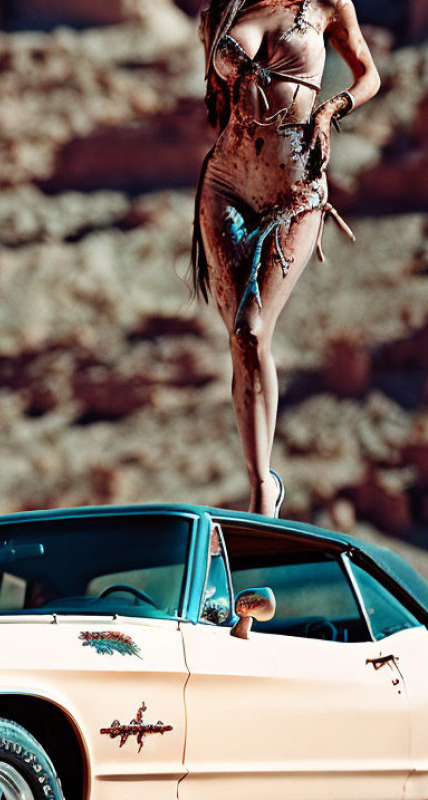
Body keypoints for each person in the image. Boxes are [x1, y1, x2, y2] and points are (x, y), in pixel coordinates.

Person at [191, 0, 379, 516]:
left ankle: (263, 492)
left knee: (253, 327)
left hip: (294, 189)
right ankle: (258, 487)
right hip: (227, 181)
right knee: (239, 339)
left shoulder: (326, 4)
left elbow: (369, 75)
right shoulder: (226, 8)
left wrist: (329, 110)